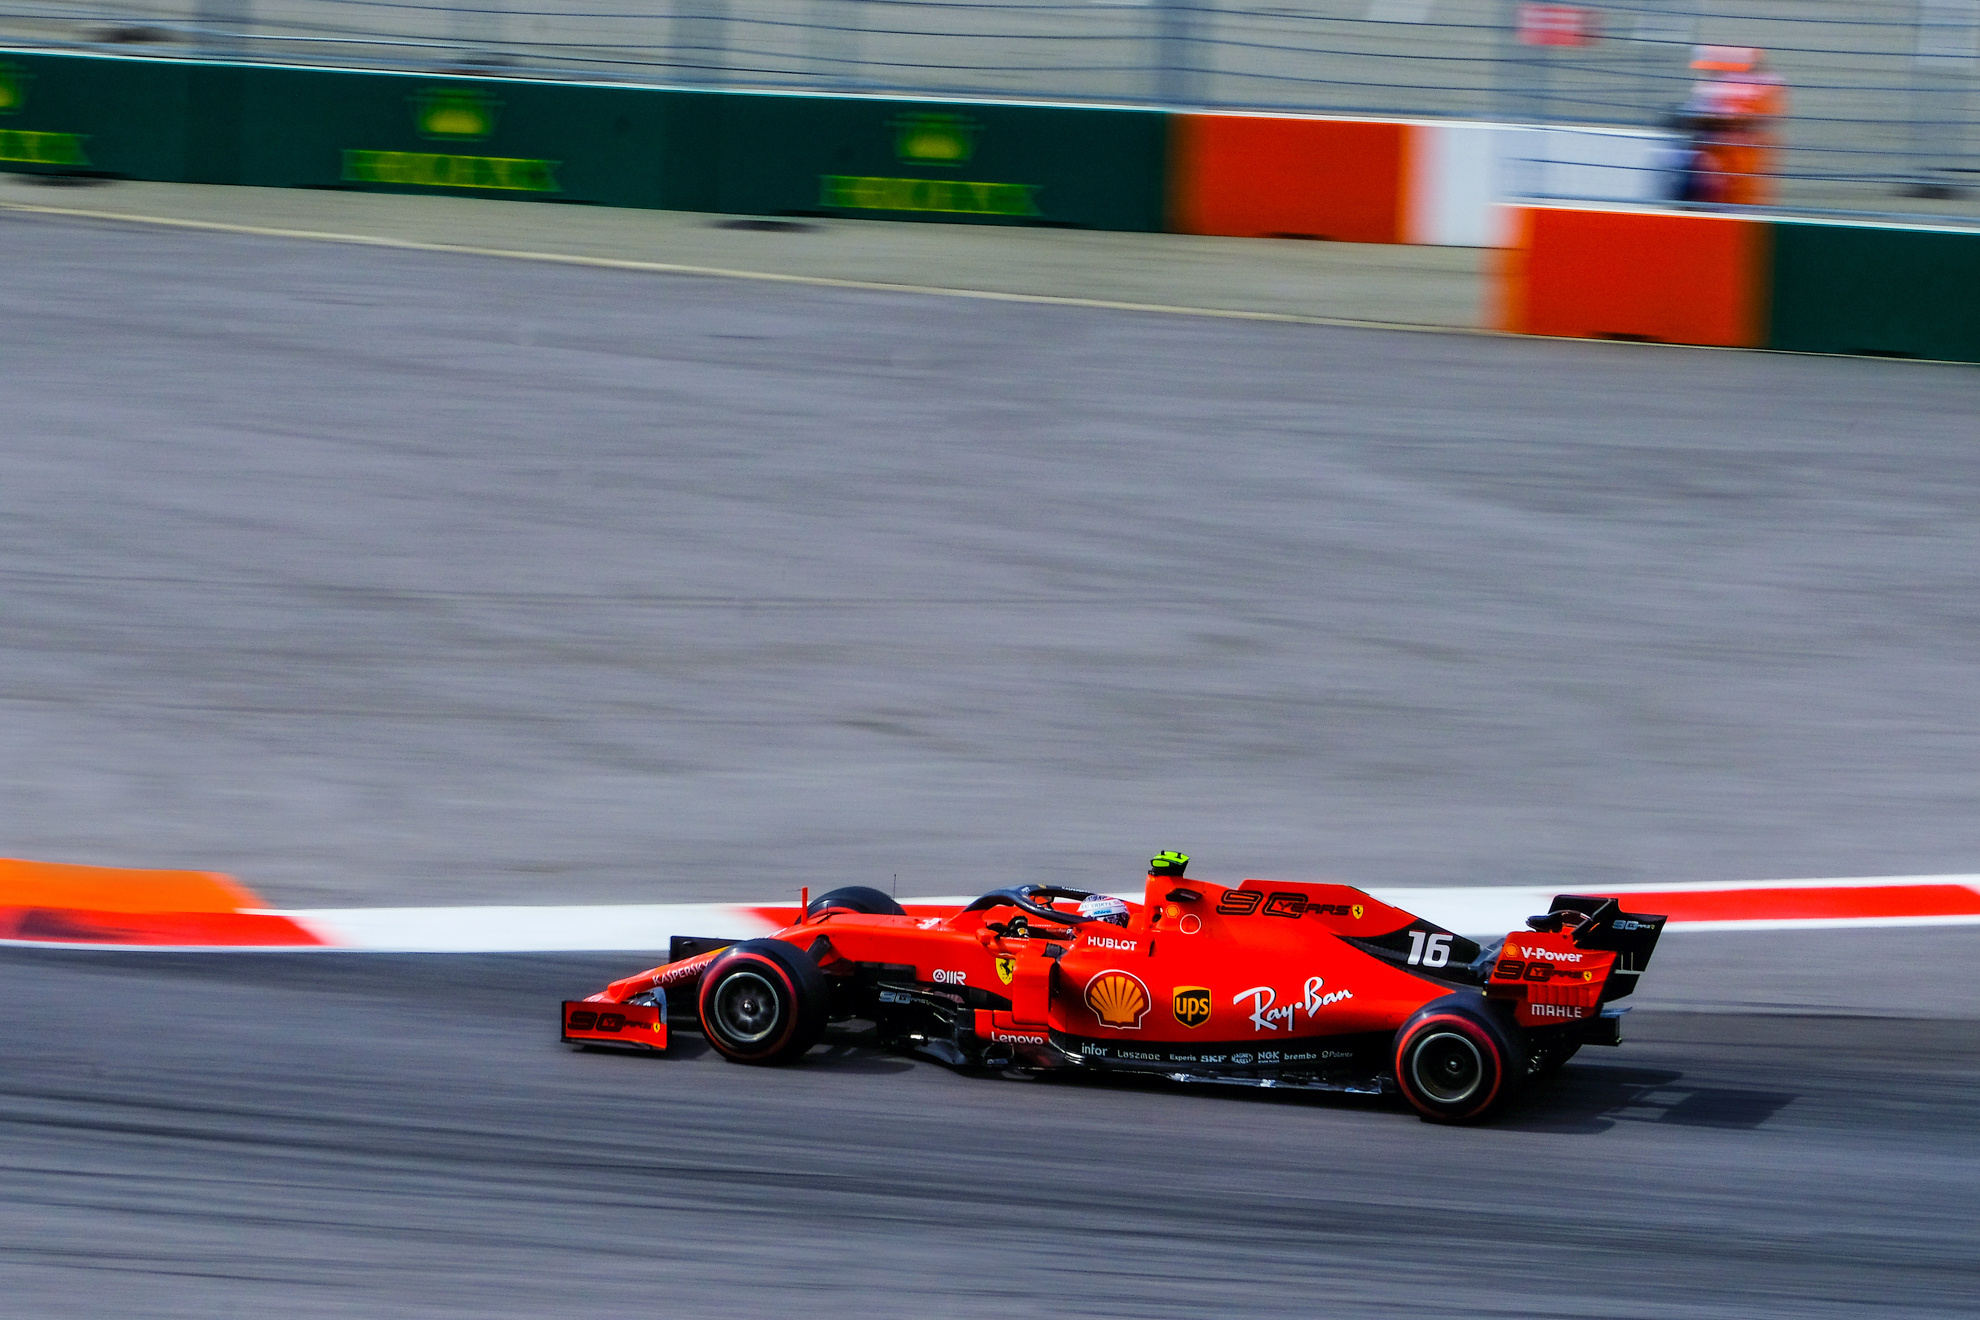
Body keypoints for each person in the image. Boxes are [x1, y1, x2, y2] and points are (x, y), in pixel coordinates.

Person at [1677, 46, 1787, 205]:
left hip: (1733, 176)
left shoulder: (1745, 89)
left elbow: (1725, 119)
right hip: (1722, 174)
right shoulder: (1722, 89)